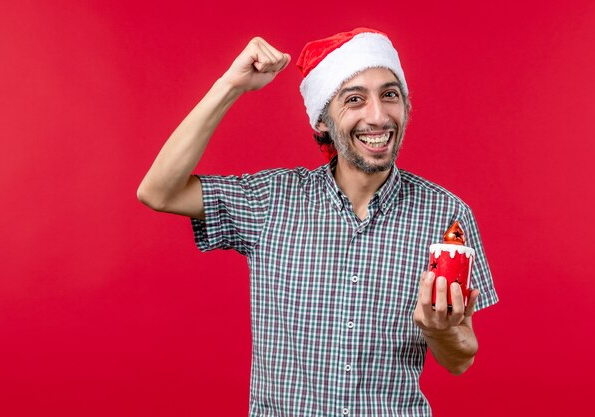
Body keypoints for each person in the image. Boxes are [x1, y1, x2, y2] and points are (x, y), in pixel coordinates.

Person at [138, 28, 498, 417]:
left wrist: (439, 329)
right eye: (354, 100)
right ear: (323, 121)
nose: (377, 116)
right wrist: (230, 86)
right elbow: (159, 192)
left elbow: (460, 360)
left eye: (390, 95)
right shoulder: (273, 201)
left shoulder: (446, 216)